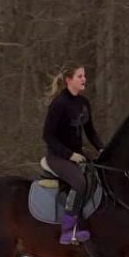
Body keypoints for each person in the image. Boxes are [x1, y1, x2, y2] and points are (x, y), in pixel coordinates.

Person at [43, 62, 104, 245]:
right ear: (69, 80)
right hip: (57, 157)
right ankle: (67, 229)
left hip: (78, 155)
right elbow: (47, 135)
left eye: (84, 75)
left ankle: (85, 223)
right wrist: (69, 155)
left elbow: (90, 132)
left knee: (98, 177)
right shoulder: (59, 103)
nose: (84, 79)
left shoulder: (84, 103)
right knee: (79, 182)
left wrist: (102, 148)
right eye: (80, 76)